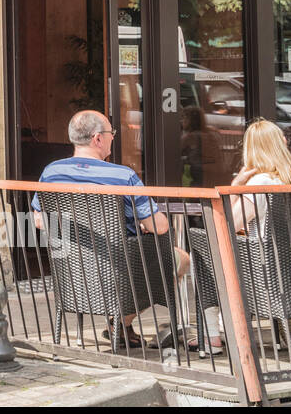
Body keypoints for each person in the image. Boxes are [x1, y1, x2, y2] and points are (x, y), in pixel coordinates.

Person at [31, 109, 189, 348]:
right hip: (119, 267)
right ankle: (121, 323)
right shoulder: (122, 176)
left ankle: (122, 327)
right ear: (97, 138)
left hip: (71, 268)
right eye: (111, 133)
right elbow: (159, 226)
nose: (113, 137)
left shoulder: (51, 172)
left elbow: (40, 221)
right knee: (181, 260)